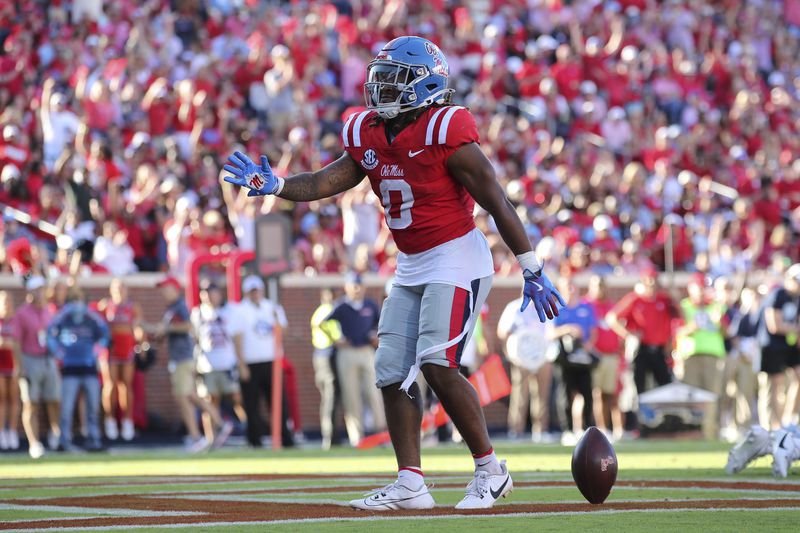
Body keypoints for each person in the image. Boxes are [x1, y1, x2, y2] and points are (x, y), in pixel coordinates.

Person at [223, 36, 563, 510]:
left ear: (427, 84)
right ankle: (411, 483)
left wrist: (531, 267)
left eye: (395, 79)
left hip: (457, 257)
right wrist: (277, 184)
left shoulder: (447, 129)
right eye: (380, 76)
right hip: (412, 262)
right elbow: (328, 180)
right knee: (389, 372)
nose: (380, 86)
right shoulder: (368, 131)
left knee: (436, 363)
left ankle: (491, 470)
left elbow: (497, 200)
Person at [153, 277, 230, 453]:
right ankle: (218, 424)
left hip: (183, 358)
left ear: (174, 288)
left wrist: (166, 329)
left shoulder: (180, 305)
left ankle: (198, 435)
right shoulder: (171, 308)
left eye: (166, 288)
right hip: (181, 357)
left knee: (183, 396)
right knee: (190, 395)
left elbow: (188, 326)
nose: (163, 292)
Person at [228, 275, 294, 448]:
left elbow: (283, 331)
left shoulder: (271, 307)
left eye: (257, 290)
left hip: (272, 360)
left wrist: (277, 318)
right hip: (251, 362)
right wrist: (241, 364)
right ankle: (255, 439)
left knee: (279, 402)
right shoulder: (239, 310)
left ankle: (285, 437)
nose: (255, 294)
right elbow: (237, 337)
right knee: (251, 403)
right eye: (252, 291)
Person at [46, 287, 109, 452]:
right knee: (66, 408)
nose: (77, 304)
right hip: (70, 370)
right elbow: (50, 332)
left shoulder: (91, 319)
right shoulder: (63, 319)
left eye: (79, 300)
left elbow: (104, 334)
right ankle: (64, 440)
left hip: (89, 369)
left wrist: (97, 351)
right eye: (73, 300)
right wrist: (58, 352)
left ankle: (94, 439)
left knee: (93, 407)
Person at [326, 273, 385, 447]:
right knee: (351, 396)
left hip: (366, 351)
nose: (357, 289)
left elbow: (381, 323)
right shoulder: (341, 306)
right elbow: (323, 323)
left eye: (360, 285)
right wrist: (336, 339)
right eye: (354, 285)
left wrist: (376, 336)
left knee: (373, 392)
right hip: (348, 352)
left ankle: (380, 433)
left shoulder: (369, 304)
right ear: (347, 287)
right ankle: (357, 438)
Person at [606, 268, 677, 396]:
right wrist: (628, 335)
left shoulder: (663, 300)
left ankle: (665, 415)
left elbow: (677, 316)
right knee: (638, 386)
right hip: (640, 348)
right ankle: (638, 413)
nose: (652, 284)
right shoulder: (635, 299)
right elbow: (612, 318)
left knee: (665, 385)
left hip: (659, 350)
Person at [674, 274, 727, 440]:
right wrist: (693, 327)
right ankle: (691, 432)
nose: (702, 291)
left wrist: (719, 323)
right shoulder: (684, 306)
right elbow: (676, 332)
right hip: (690, 357)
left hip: (713, 356)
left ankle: (710, 433)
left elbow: (726, 333)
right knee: (691, 396)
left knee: (711, 396)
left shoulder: (717, 307)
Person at [497, 294, 552, 442]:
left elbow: (551, 331)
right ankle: (516, 431)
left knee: (541, 395)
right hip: (521, 357)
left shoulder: (545, 306)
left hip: (543, 356)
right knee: (520, 395)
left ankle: (541, 431)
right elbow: (503, 332)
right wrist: (510, 354)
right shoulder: (514, 307)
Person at [549, 277, 598, 445]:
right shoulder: (557, 308)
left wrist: (587, 345)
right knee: (565, 394)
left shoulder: (586, 307)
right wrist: (568, 329)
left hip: (582, 358)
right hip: (564, 358)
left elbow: (593, 331)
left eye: (572, 286)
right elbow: (549, 333)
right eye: (566, 287)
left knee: (587, 393)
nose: (570, 290)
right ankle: (567, 430)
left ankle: (587, 429)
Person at [190, 282, 244, 434]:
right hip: (207, 365)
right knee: (210, 401)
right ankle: (211, 437)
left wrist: (241, 363)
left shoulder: (229, 311)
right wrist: (195, 364)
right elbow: (195, 340)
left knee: (237, 398)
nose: (208, 296)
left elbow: (237, 338)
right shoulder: (198, 314)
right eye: (205, 293)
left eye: (211, 292)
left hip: (228, 364)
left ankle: (249, 429)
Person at [15, 276, 59, 458]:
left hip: (48, 359)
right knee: (30, 403)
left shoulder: (48, 310)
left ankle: (56, 437)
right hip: (29, 359)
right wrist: (20, 366)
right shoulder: (22, 313)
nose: (41, 292)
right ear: (31, 292)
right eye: (38, 289)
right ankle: (34, 443)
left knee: (54, 399)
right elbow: (16, 342)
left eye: (43, 288)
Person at [96, 279, 142, 441]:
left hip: (127, 349)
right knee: (110, 384)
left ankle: (127, 421)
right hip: (110, 350)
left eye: (122, 288)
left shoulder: (132, 307)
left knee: (126, 385)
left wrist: (140, 339)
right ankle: (110, 421)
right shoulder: (105, 306)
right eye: (116, 288)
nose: (120, 291)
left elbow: (137, 327)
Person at [758, 264, 800, 429]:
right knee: (776, 384)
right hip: (773, 345)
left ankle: (789, 418)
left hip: (788, 345)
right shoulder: (778, 295)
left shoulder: (797, 298)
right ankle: (775, 424)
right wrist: (795, 330)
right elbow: (774, 325)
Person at [585, 276, 624, 441]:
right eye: (597, 286)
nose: (600, 289)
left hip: (612, 356)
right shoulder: (585, 306)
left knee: (612, 394)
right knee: (596, 394)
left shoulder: (612, 307)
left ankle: (615, 430)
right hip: (594, 357)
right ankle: (599, 430)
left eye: (602, 285)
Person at [310, 288, 344, 450]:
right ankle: (330, 436)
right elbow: (320, 325)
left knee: (329, 396)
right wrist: (335, 340)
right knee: (331, 395)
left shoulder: (322, 309)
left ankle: (331, 435)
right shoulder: (328, 309)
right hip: (327, 354)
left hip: (321, 355)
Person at [0, 291, 21, 451]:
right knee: (2, 399)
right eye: (4, 301)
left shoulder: (15, 321)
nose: (7, 304)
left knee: (14, 399)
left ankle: (12, 432)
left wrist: (19, 366)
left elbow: (18, 344)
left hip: (13, 365)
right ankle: (1, 432)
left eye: (9, 301)